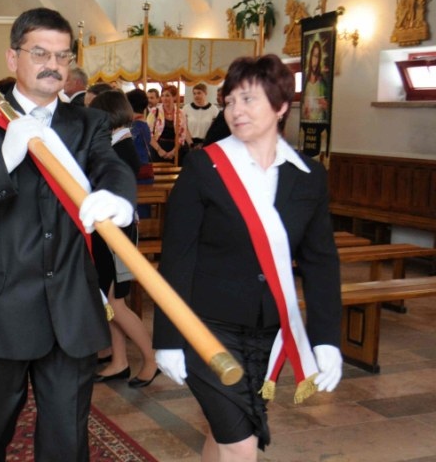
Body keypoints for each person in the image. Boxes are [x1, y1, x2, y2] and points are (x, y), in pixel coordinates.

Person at [0, 7, 136, 461]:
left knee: (67, 446)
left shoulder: (88, 123)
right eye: (40, 53)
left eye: (62, 56)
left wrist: (119, 199)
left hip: (70, 313)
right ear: (12, 57)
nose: (52, 65)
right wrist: (3, 160)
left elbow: (111, 168)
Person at [153, 55, 343, 461]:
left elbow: (321, 263)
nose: (235, 110)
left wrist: (326, 338)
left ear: (281, 106)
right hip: (208, 327)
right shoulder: (204, 166)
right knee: (241, 445)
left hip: (268, 333)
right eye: (230, 101)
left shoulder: (308, 176)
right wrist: (168, 338)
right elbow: (178, 256)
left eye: (248, 99)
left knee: (227, 432)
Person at [88, 90, 158, 388]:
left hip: (118, 233)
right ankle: (119, 361)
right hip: (107, 231)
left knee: (116, 302)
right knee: (109, 300)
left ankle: (151, 359)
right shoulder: (115, 143)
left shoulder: (123, 148)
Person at [150, 85, 187, 163]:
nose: (164, 98)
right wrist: (159, 150)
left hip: (175, 149)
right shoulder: (154, 111)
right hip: (158, 148)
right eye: (162, 95)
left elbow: (182, 135)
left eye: (167, 95)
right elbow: (148, 133)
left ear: (174, 97)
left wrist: (174, 151)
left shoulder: (181, 113)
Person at [183, 83, 219, 148]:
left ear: (205, 93)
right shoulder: (186, 108)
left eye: (199, 93)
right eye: (194, 93)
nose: (196, 96)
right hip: (189, 143)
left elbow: (214, 130)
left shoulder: (214, 109)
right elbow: (184, 128)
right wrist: (191, 144)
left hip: (206, 144)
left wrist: (204, 144)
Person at [301, 40, 329, 122]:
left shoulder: (323, 79)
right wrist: (305, 110)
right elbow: (303, 103)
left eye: (317, 56)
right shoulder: (305, 78)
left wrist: (325, 105)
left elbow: (328, 106)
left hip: (319, 121)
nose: (315, 59)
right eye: (314, 56)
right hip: (307, 121)